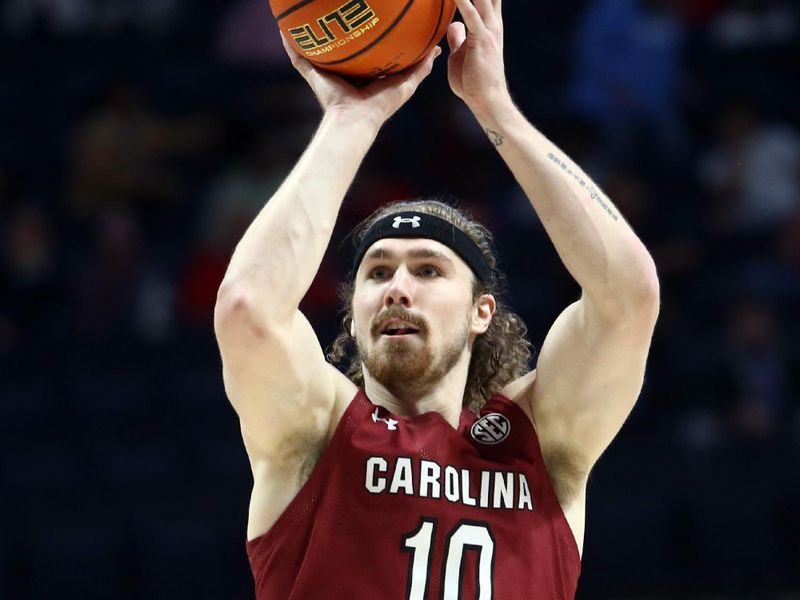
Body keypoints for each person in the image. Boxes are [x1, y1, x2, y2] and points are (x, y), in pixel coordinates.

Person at [214, 0, 660, 597]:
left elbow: (628, 297)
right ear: (353, 313)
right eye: (377, 274)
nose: (397, 286)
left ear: (482, 312)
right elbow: (248, 309)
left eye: (427, 270)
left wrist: (495, 107)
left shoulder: (541, 442)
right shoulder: (316, 431)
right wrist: (351, 121)